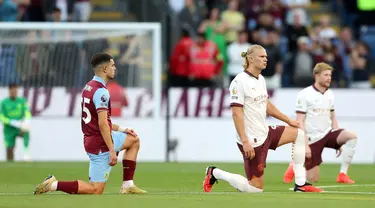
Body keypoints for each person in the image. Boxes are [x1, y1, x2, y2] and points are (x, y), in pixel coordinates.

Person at [203, 45, 322, 193]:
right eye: (262, 57)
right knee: (256, 190)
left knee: (299, 134)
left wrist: (288, 120)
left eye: (266, 57)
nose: (266, 59)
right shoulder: (239, 81)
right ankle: (214, 173)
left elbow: (265, 103)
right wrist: (245, 141)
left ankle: (300, 184)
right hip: (252, 141)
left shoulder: (261, 79)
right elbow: (236, 113)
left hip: (265, 132)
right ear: (251, 58)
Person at [33, 53, 147, 195]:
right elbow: (102, 124)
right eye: (112, 65)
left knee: (133, 140)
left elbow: (100, 121)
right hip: (100, 143)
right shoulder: (101, 92)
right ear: (105, 69)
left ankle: (128, 185)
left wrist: (124, 129)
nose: (115, 68)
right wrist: (112, 150)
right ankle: (53, 185)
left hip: (94, 138)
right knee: (95, 189)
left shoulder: (89, 86)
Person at [283, 62, 357, 184]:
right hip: (312, 139)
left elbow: (333, 117)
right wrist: (305, 145)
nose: (329, 78)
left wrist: (338, 141)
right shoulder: (305, 94)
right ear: (316, 75)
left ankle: (342, 174)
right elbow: (299, 121)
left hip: (328, 133)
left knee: (352, 137)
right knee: (313, 179)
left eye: (330, 75)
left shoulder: (330, 94)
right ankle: (293, 165)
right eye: (326, 75)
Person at [0, 83, 32, 161]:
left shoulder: (22, 101)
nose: (15, 93)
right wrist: (11, 122)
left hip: (19, 126)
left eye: (16, 91)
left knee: (26, 131)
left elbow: (27, 112)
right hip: (9, 129)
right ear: (9, 91)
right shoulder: (4, 103)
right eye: (13, 91)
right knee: (10, 149)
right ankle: (10, 162)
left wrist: (26, 122)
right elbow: (1, 116)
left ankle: (26, 154)